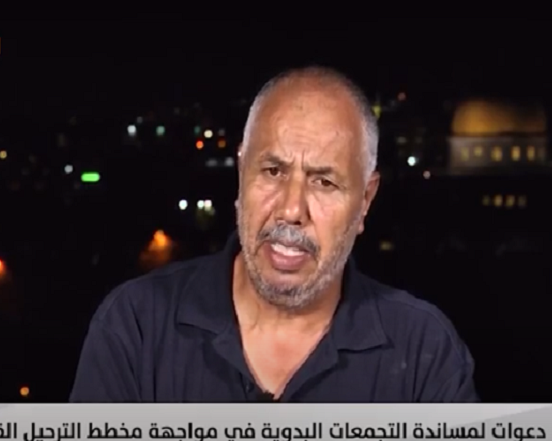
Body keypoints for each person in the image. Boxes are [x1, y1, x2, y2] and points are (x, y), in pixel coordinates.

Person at [70, 66, 479, 402]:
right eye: (272, 171)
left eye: (324, 182)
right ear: (241, 173)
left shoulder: (424, 353)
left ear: (365, 201)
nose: (290, 210)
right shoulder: (136, 327)